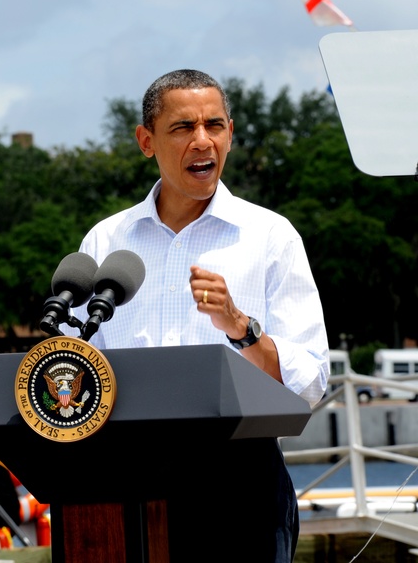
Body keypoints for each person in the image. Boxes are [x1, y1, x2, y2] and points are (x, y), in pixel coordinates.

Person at [69, 69, 329, 562]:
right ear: (146, 141)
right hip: (123, 477)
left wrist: (242, 329)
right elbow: (79, 370)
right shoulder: (105, 241)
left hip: (240, 481)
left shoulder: (271, 237)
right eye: (183, 127)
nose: (202, 141)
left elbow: (311, 381)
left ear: (231, 132)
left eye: (215, 125)